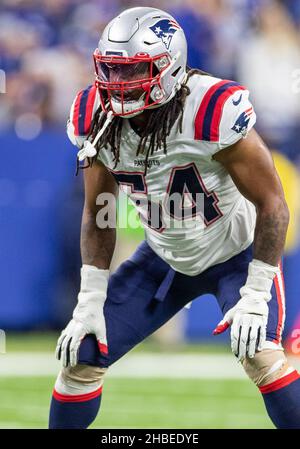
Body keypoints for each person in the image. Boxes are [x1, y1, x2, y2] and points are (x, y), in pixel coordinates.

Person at [49, 7, 300, 429]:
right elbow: (98, 213)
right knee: (82, 357)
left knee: (262, 356)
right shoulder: (96, 113)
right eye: (110, 70)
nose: (118, 85)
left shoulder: (210, 108)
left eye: (133, 72)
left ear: (169, 68)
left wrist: (256, 293)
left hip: (235, 255)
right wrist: (89, 300)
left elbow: (273, 203)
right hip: (163, 257)